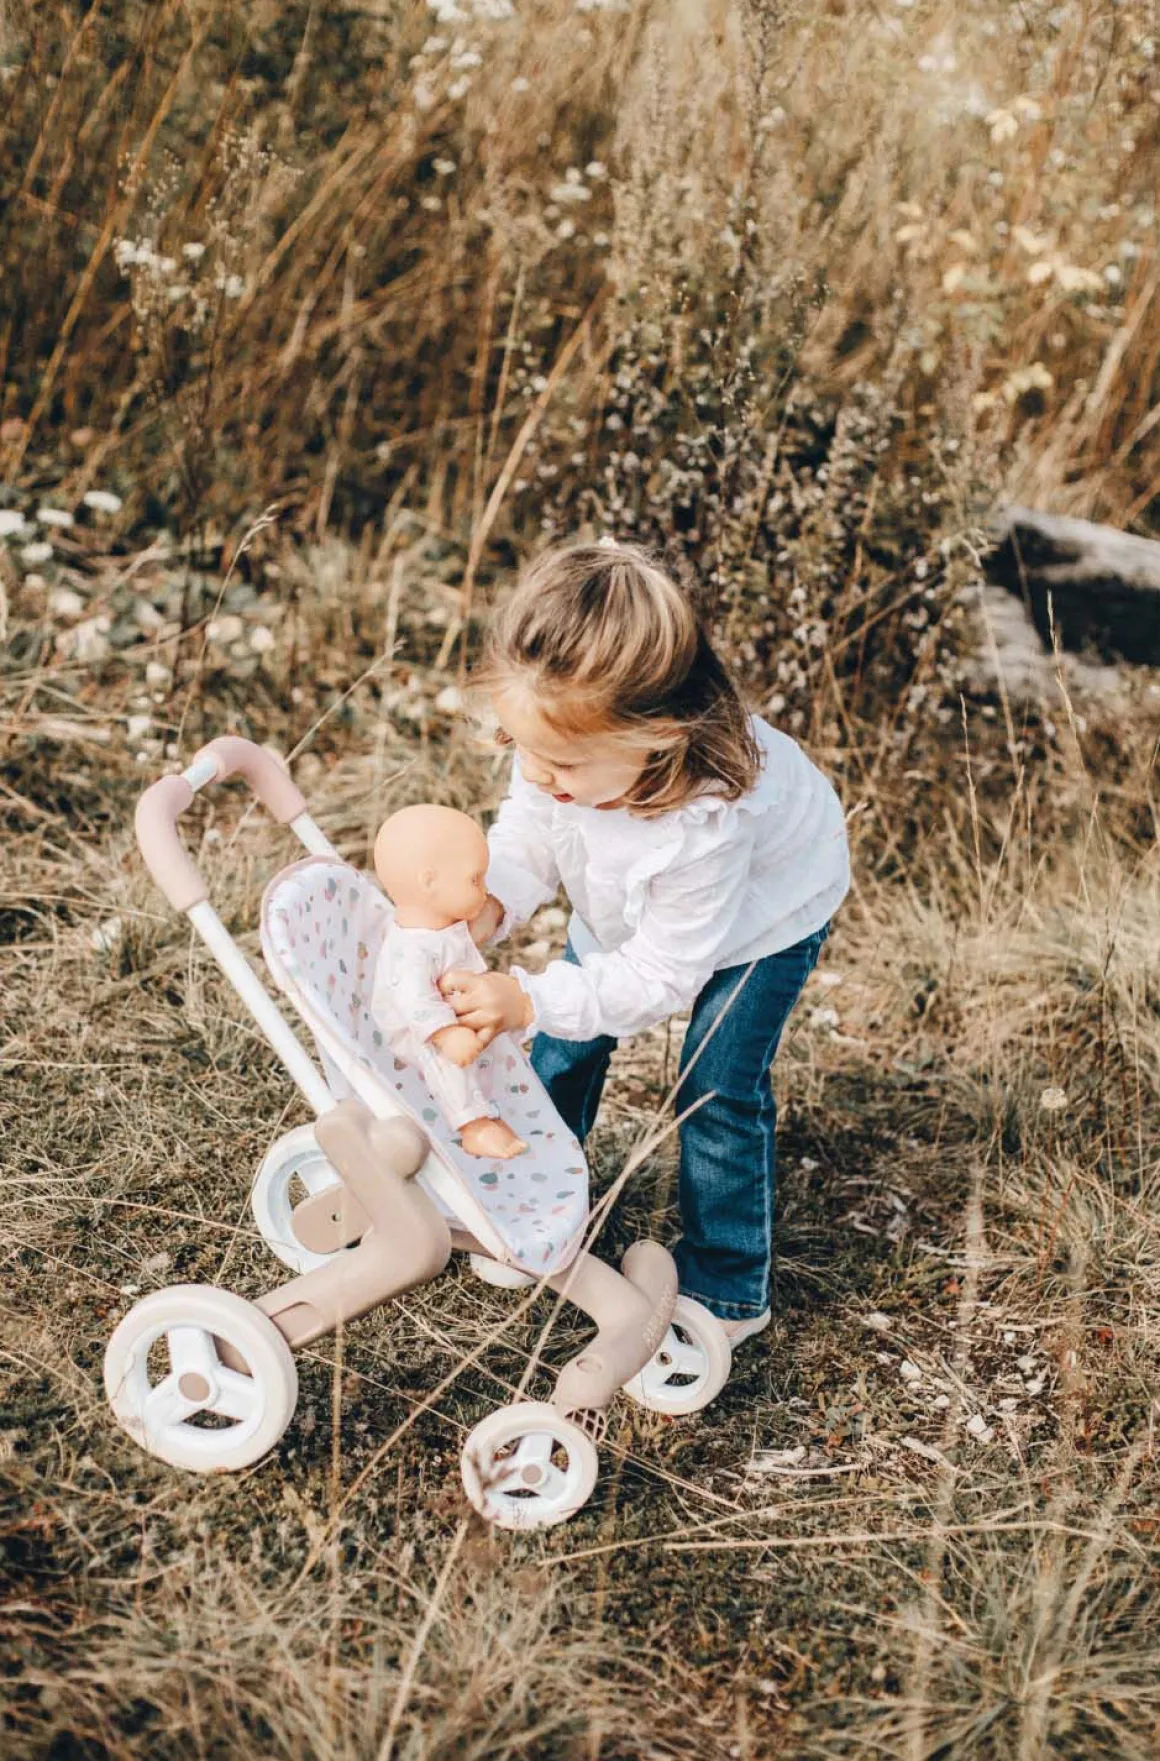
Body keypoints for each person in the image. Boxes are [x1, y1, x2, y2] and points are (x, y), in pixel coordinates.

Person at [439, 540, 849, 1345]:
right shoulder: (561, 745)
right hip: (630, 901)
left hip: (765, 917)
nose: (538, 773)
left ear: (656, 735)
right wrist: (496, 900)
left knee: (715, 1082)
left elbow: (661, 974)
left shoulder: (706, 822)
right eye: (525, 749)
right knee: (561, 1046)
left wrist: (528, 996)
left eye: (562, 762)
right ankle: (530, 1206)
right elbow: (530, 828)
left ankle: (728, 1283)